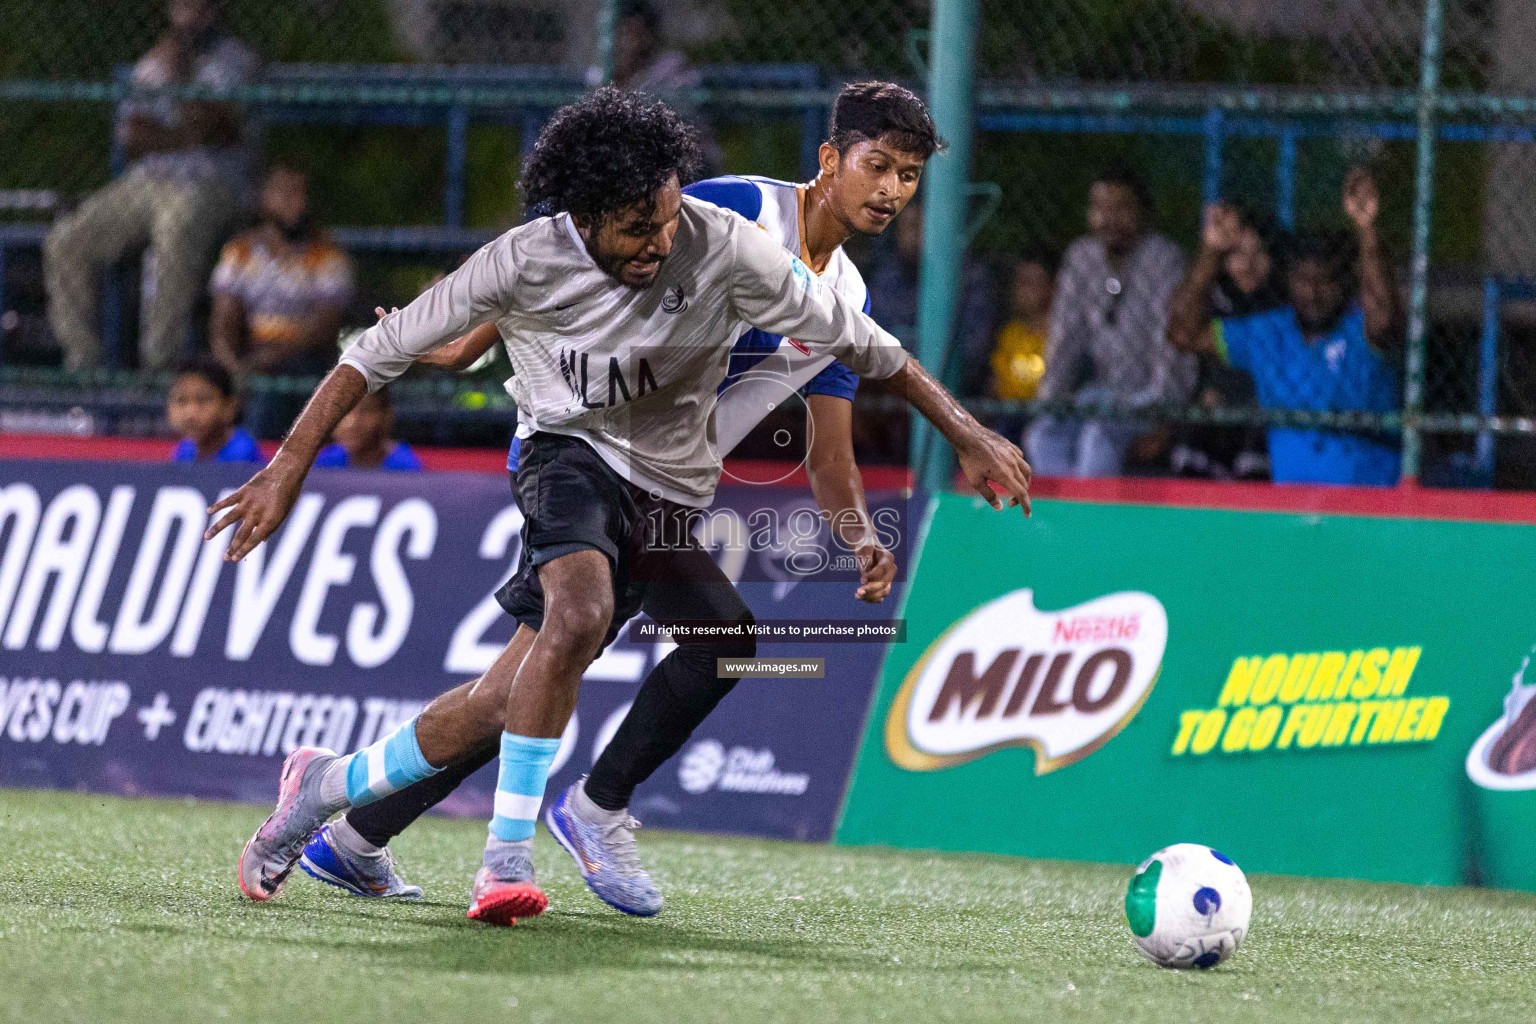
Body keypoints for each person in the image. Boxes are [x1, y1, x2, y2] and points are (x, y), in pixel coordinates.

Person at [215, 88, 1029, 928]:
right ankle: (544, 836)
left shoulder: (800, 277)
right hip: (569, 450)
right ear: (829, 160)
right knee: (573, 633)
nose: (893, 189)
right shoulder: (730, 210)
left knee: (536, 687)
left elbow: (837, 426)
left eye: (908, 176)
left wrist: (870, 522)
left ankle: (344, 813)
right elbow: (543, 274)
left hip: (666, 491)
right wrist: (453, 348)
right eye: (879, 167)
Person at [44, 0, 259, 371]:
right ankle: (83, 362)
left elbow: (217, 128)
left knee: (175, 229)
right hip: (147, 182)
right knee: (66, 239)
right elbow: (133, 137)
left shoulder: (236, 60)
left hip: (210, 184)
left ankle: (160, 364)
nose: (188, 10)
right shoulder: (153, 61)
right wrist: (181, 130)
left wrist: (183, 82)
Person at [1167, 168, 1404, 486]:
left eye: (1327, 281)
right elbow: (1183, 333)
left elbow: (1385, 318)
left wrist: (1366, 231)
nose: (1313, 293)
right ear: (1287, 281)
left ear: (1346, 284)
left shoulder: (1362, 330)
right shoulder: (1267, 332)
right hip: (1291, 509)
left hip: (1367, 505)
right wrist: (1212, 252)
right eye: (1303, 281)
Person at [1026, 165, 1193, 478]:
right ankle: (1061, 520)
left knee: (1098, 436)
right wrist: (1050, 401)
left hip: (1149, 396)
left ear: (1143, 213)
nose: (1109, 218)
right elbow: (1065, 338)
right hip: (1100, 392)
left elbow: (1171, 346)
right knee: (1042, 434)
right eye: (1100, 208)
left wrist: (1164, 417)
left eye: (1121, 207)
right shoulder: (1082, 256)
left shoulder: (1163, 259)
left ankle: (1088, 523)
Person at [1166, 205, 1284, 480]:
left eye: (1259, 254)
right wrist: (1211, 249)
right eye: (1238, 255)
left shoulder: (1284, 305)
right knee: (1193, 438)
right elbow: (1180, 332)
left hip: (1262, 418)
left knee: (1253, 447)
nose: (1249, 265)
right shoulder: (1214, 297)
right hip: (1216, 416)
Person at [210, 166, 353, 378]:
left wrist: (272, 357)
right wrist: (232, 369)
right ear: (262, 198)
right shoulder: (240, 251)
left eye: (298, 192)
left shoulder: (328, 255)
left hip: (304, 361)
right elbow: (223, 320)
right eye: (283, 191)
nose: (291, 201)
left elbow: (325, 324)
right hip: (249, 354)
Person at [864, 198, 996, 398]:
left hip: (954, 391)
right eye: (905, 226)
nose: (910, 235)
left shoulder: (968, 277)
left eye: (917, 225)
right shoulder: (887, 277)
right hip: (890, 391)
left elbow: (972, 351)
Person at [167, 354, 261, 463]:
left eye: (203, 400)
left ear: (228, 407)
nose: (190, 414)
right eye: (181, 400)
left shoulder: (242, 454)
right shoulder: (184, 451)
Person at [313, 387, 421, 472]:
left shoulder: (404, 467)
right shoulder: (326, 460)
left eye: (364, 411)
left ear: (386, 416)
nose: (351, 423)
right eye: (342, 411)